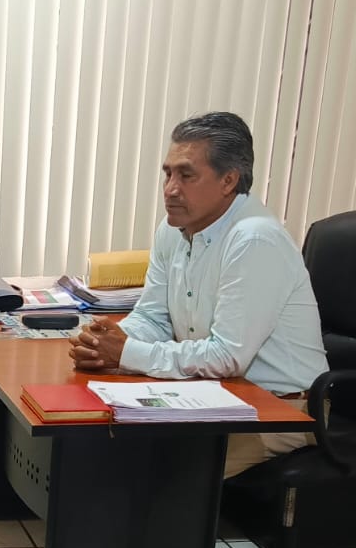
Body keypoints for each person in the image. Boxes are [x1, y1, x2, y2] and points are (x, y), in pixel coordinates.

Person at [69, 111, 328, 477]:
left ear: (228, 180)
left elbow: (226, 356)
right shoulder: (173, 229)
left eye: (186, 175)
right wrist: (106, 342)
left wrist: (125, 352)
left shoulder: (254, 239)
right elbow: (154, 316)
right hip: (213, 396)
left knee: (150, 469)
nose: (170, 189)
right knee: (98, 438)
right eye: (168, 173)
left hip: (280, 411)